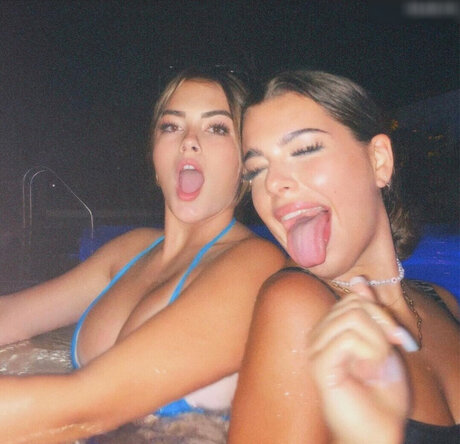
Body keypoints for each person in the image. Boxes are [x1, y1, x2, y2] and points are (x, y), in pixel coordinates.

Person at [0, 67, 285, 443]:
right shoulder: (131, 250)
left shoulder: (255, 265)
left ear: (245, 162)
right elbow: (12, 318)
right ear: (154, 153)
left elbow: (87, 406)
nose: (189, 141)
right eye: (171, 126)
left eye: (217, 128)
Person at [227, 70, 460, 444]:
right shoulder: (296, 304)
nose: (272, 183)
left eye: (304, 150)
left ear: (378, 161)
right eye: (256, 170)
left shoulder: (442, 302)